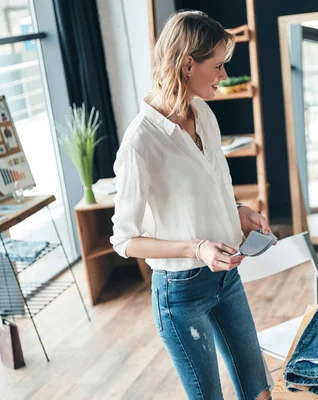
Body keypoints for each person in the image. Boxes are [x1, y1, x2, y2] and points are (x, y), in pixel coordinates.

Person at [110, 10, 271, 400]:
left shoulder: (205, 115)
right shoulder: (140, 143)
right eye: (216, 66)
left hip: (225, 279)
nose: (222, 76)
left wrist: (239, 212)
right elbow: (125, 240)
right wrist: (195, 247)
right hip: (179, 293)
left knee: (260, 391)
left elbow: (206, 190)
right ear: (186, 64)